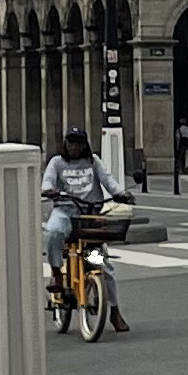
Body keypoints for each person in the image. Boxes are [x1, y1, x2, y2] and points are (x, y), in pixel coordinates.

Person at [41, 123, 130, 333]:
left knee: (103, 265)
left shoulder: (93, 161)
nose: (75, 147)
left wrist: (121, 194)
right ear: (65, 143)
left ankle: (114, 310)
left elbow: (108, 180)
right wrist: (49, 190)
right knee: (53, 231)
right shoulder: (57, 162)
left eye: (79, 143)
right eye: (71, 142)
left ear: (85, 144)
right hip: (65, 212)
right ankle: (57, 273)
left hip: (90, 217)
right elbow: (47, 182)